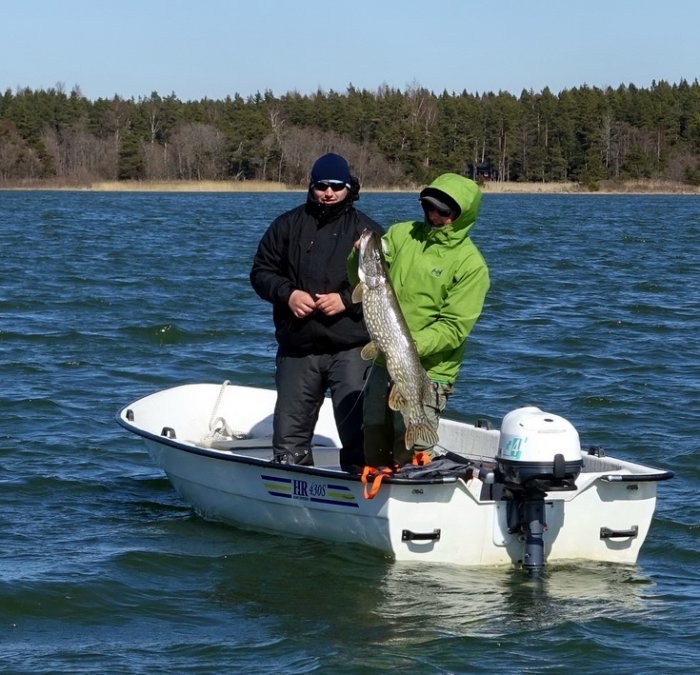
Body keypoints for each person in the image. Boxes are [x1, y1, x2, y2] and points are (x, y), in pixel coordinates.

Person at [250, 153, 384, 471]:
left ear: (350, 188)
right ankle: (290, 493)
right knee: (289, 440)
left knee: (361, 436)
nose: (329, 193)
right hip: (299, 347)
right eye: (322, 186)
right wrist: (288, 295)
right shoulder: (286, 225)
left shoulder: (367, 232)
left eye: (337, 186)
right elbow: (261, 272)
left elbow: (386, 285)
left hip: (350, 346)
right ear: (311, 186)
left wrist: (346, 300)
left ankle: (363, 490)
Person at [352, 172, 490, 468]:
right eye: (429, 207)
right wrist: (357, 258)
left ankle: (416, 491)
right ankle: (375, 489)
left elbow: (454, 328)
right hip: (383, 362)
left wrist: (407, 347)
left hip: (430, 369)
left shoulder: (471, 265)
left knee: (411, 445)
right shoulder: (403, 234)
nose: (434, 215)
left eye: (444, 211)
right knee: (374, 438)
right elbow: (362, 280)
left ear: (462, 216)